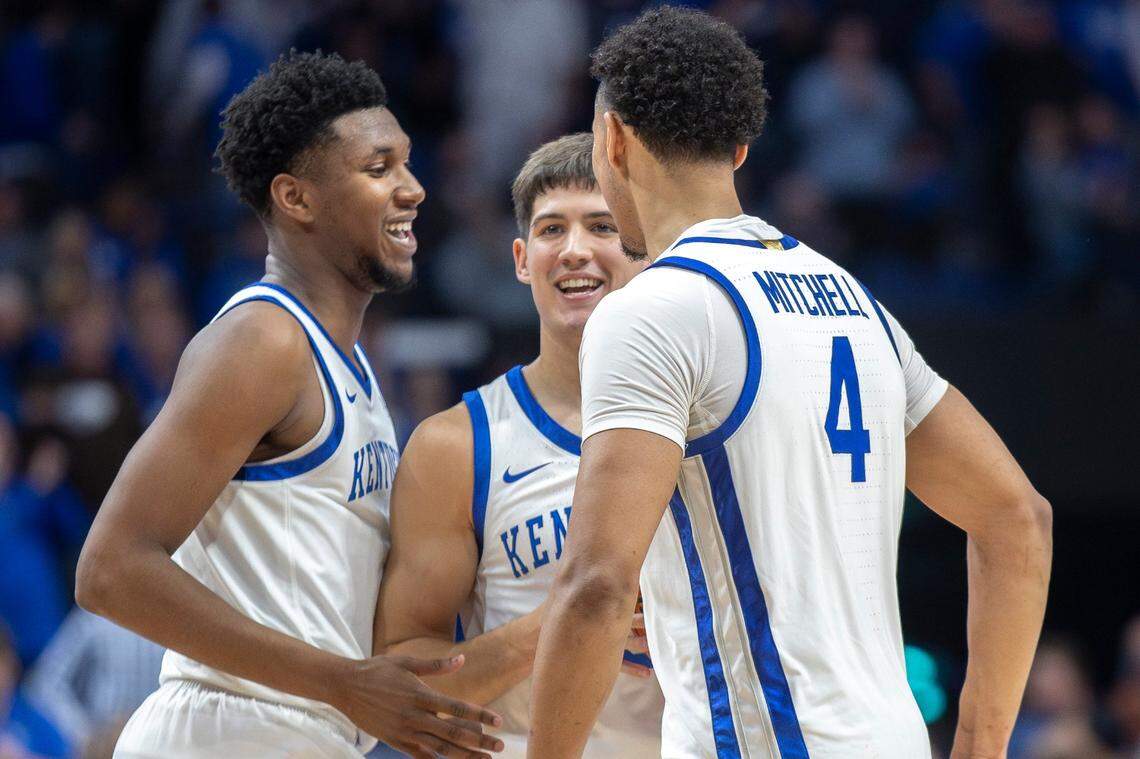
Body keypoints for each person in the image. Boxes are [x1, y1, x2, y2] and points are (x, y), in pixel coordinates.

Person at [528, 7, 1052, 759]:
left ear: (612, 139)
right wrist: (978, 742)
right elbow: (1019, 519)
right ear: (740, 149)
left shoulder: (652, 309)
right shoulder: (856, 302)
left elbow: (597, 587)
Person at [75, 51, 502, 759]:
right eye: (379, 168)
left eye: (407, 163)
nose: (413, 188)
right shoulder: (263, 340)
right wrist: (341, 683)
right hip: (229, 729)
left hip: (301, 730)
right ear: (296, 198)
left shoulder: (351, 366)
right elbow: (110, 570)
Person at [376, 133, 662, 757]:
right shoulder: (457, 445)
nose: (574, 250)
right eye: (552, 229)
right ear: (522, 259)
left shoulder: (715, 427)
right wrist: (569, 620)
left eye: (602, 227)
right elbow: (400, 691)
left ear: (647, 251)